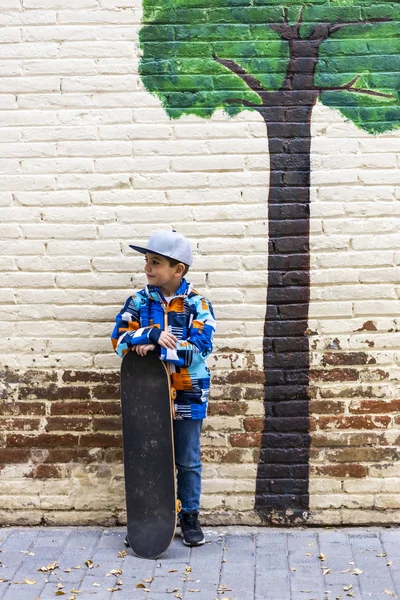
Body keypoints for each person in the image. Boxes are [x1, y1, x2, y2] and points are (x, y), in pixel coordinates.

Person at [111, 230, 217, 547]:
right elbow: (119, 341)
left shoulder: (198, 304)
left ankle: (189, 519)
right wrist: (150, 332)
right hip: (147, 396)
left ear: (177, 269)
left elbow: (198, 348)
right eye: (146, 261)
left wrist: (155, 348)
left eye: (155, 262)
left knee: (187, 459)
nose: (148, 268)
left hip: (188, 392)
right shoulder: (139, 302)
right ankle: (148, 521)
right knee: (149, 459)